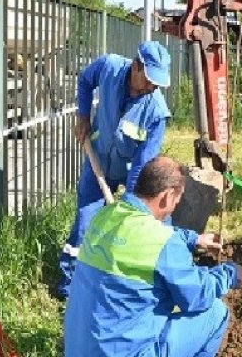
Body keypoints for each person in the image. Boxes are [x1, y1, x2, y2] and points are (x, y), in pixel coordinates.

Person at [64, 156, 242, 356]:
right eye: (177, 200)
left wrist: (193, 239)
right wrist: (229, 274)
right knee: (216, 313)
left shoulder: (105, 217)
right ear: (167, 196)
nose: (175, 206)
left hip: (78, 351)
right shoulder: (165, 244)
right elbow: (196, 296)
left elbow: (142, 235)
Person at [57, 41, 172, 299]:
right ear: (135, 66)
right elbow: (85, 81)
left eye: (158, 83)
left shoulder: (156, 113)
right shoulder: (108, 67)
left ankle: (154, 277)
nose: (153, 88)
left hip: (131, 169)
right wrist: (84, 116)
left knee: (140, 224)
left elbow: (142, 165)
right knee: (86, 221)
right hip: (98, 158)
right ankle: (68, 288)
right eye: (150, 80)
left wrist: (128, 206)